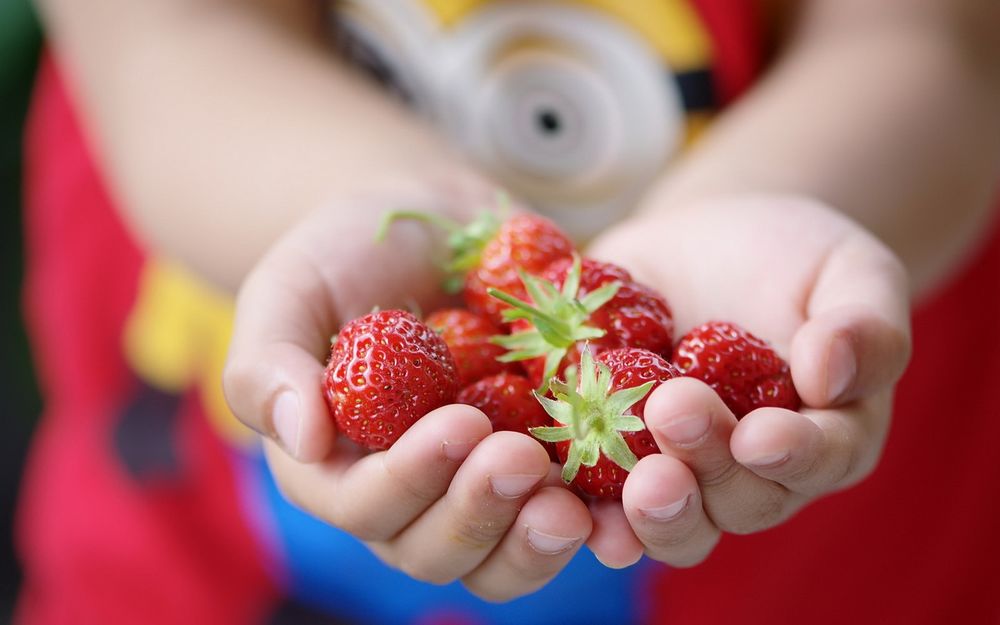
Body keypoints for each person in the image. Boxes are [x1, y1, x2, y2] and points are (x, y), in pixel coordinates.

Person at [17, 0, 1000, 623]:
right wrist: (373, 193)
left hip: (834, 575)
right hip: (195, 559)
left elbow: (930, 38)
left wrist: (769, 195)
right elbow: (171, 34)